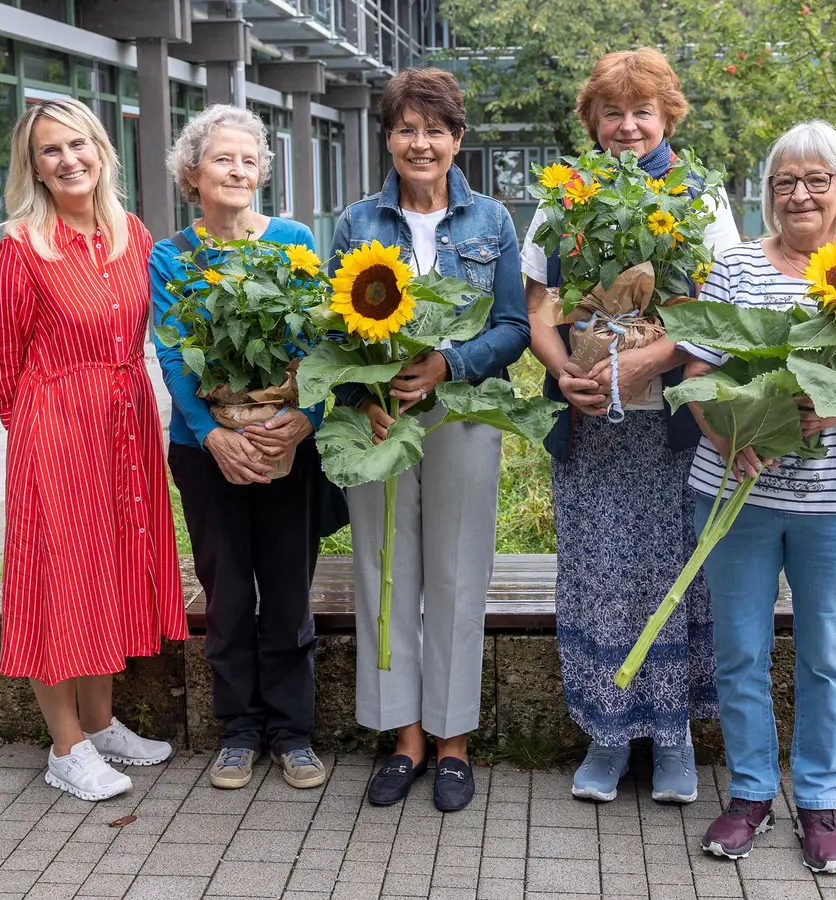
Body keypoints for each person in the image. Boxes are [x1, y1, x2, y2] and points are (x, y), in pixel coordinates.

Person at [681, 121, 836, 869]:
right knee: (739, 650)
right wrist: (726, 435)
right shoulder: (737, 269)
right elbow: (696, 376)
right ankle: (750, 793)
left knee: (825, 656)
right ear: (768, 193)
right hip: (737, 493)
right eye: (785, 181)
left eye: (817, 180)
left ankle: (818, 801)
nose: (801, 194)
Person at [521, 47, 740, 806]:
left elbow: (723, 309)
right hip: (593, 428)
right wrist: (564, 371)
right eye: (611, 112)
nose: (627, 126)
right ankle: (609, 735)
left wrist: (651, 363)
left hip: (676, 425)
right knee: (600, 579)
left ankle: (674, 736)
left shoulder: (699, 196)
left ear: (666, 116)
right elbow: (538, 307)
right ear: (593, 121)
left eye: (642, 111)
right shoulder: (565, 196)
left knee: (679, 578)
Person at [326, 68, 529, 813]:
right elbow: (335, 328)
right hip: (380, 422)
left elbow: (511, 328)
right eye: (406, 128)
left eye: (434, 129)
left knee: (455, 576)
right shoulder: (355, 224)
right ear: (387, 137)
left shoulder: (493, 223)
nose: (421, 142)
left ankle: (452, 742)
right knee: (386, 573)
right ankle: (403, 736)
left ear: (457, 140)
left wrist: (449, 363)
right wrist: (364, 398)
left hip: (463, 415)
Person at [0, 98, 183, 802]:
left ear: (101, 150)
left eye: (77, 145)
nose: (68, 160)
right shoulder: (20, 248)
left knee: (110, 571)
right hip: (57, 431)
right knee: (59, 583)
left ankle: (100, 724)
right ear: (31, 166)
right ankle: (65, 748)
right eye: (49, 151)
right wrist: (42, 428)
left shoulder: (132, 234)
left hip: (124, 424)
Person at [149, 104, 330, 793]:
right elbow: (173, 354)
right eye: (223, 158)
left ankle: (291, 732)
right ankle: (238, 731)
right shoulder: (172, 255)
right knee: (226, 592)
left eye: (250, 160)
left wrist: (305, 418)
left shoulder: (290, 240)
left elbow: (318, 343)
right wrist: (215, 435)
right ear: (191, 173)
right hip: (205, 449)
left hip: (285, 442)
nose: (238, 170)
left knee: (287, 587)